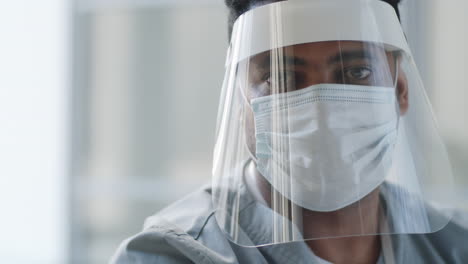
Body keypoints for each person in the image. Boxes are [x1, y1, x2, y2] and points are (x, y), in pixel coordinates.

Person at [110, 0, 468, 263]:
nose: (321, 113)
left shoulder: (456, 245)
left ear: (401, 90)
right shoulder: (173, 255)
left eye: (356, 72)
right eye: (281, 77)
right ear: (241, 103)